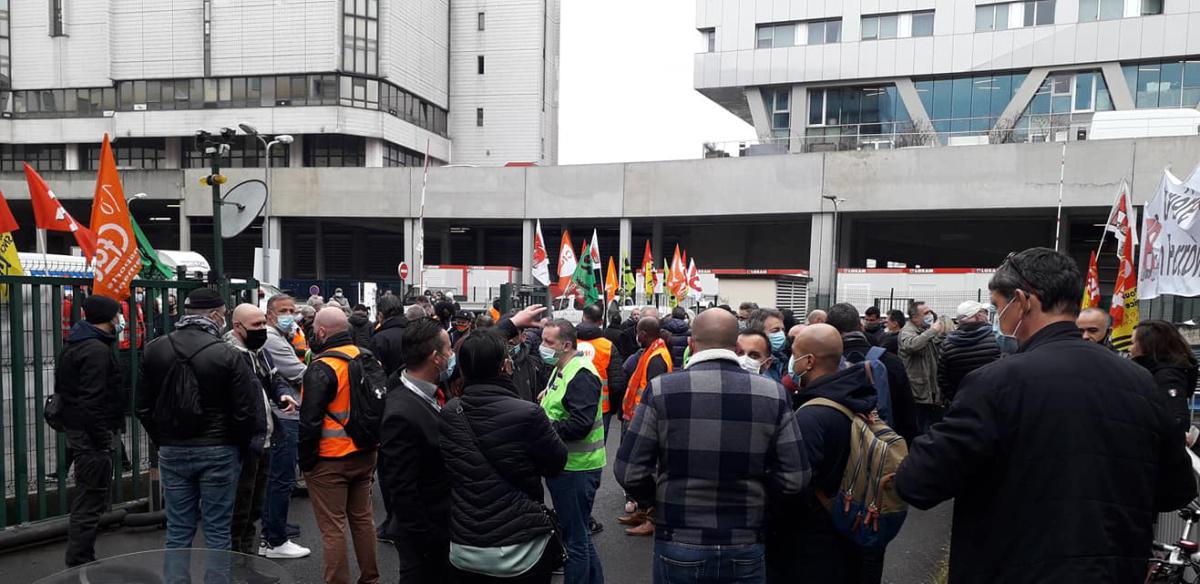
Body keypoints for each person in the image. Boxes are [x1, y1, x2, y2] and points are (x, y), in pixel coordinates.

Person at [894, 247, 1198, 583]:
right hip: (1112, 570)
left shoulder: (995, 383)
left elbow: (919, 481)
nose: (998, 318)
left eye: (997, 306)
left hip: (1013, 567)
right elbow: (1176, 489)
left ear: (1023, 301)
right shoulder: (1140, 382)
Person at [616, 308, 809, 582]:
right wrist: (760, 503)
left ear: (691, 344)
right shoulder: (772, 393)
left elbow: (629, 471)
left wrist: (658, 503)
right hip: (745, 537)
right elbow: (795, 477)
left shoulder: (661, 390)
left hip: (679, 535)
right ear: (737, 346)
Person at [137, 288, 267, 551]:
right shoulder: (227, 353)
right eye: (224, 314)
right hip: (219, 448)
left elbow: (142, 407)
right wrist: (239, 447)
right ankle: (220, 573)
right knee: (218, 530)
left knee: (178, 530)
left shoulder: (154, 349)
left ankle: (176, 574)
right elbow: (245, 411)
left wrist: (163, 440)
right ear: (216, 315)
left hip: (173, 448)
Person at [440, 328, 569, 583]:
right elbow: (556, 464)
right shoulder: (529, 414)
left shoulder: (450, 412)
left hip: (465, 543)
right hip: (520, 547)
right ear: (505, 366)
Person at [768, 324, 878, 582]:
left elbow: (797, 483)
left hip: (812, 537)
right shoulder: (853, 398)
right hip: (848, 522)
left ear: (809, 361)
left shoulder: (812, 415)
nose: (791, 360)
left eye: (794, 354)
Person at [299, 308, 380, 584]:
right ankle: (370, 578)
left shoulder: (322, 367)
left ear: (321, 332)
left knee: (333, 528)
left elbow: (309, 421)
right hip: (365, 452)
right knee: (362, 520)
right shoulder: (366, 358)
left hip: (330, 458)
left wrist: (306, 462)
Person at [225, 304, 307, 559]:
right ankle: (237, 564)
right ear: (238, 327)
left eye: (263, 323)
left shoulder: (259, 351)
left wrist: (282, 394)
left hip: (265, 437)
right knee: (239, 509)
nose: (262, 329)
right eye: (256, 325)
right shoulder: (228, 356)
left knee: (254, 507)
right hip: (244, 442)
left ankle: (248, 561)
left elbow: (274, 378)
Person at [379, 318, 454, 582]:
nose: (452, 355)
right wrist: (425, 535)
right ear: (435, 358)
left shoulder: (426, 390)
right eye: (449, 349)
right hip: (423, 536)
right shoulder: (401, 413)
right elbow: (402, 487)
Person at [58, 295, 125, 567]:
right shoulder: (96, 351)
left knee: (88, 496)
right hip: (91, 437)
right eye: (118, 314)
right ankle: (80, 561)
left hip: (80, 432)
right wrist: (102, 438)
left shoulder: (76, 344)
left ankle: (81, 557)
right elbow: (92, 401)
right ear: (109, 317)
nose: (120, 319)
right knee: (90, 499)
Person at [539, 319, 606, 584]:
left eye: (549, 342)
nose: (543, 346)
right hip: (567, 466)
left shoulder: (581, 374)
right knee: (579, 535)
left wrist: (543, 428)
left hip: (577, 468)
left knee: (574, 541)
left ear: (566, 345)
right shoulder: (562, 367)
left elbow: (580, 424)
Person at [261, 294, 310, 558]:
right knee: (281, 477)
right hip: (284, 414)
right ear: (270, 314)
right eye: (284, 311)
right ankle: (274, 539)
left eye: (292, 309)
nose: (290, 315)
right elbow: (298, 372)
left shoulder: (279, 337)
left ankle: (274, 527)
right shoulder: (271, 338)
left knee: (279, 476)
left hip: (284, 412)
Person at [826, 302, 918, 443]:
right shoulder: (891, 361)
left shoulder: (826, 362)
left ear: (831, 330)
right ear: (861, 327)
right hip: (883, 444)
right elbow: (907, 414)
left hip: (840, 445)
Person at [1131, 319, 1199, 437]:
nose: (1129, 348)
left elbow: (1176, 422)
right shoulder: (1152, 371)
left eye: (1132, 343)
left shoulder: (1167, 377)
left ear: (1147, 345)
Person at [577, 303, 627, 446]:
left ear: (582, 317)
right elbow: (616, 384)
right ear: (600, 322)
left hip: (570, 403)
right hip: (601, 407)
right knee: (597, 446)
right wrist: (613, 407)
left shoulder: (569, 343)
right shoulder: (608, 346)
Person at [937, 301, 1001, 406]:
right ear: (979, 316)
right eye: (984, 312)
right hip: (992, 401)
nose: (986, 315)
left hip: (962, 403)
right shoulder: (996, 338)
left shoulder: (947, 344)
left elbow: (942, 378)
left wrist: (956, 398)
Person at [898, 301, 946, 434]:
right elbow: (912, 345)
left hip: (930, 389)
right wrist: (932, 331)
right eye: (926, 313)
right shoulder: (907, 331)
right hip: (917, 391)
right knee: (920, 428)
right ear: (915, 317)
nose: (929, 315)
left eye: (930, 311)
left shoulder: (924, 329)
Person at [369, 294, 408, 376]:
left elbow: (374, 373)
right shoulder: (415, 332)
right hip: (413, 382)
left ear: (380, 315)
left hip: (388, 381)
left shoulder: (379, 339)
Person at [747, 308, 790, 382]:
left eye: (783, 330)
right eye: (775, 330)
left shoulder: (782, 359)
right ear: (758, 332)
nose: (781, 334)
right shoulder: (749, 364)